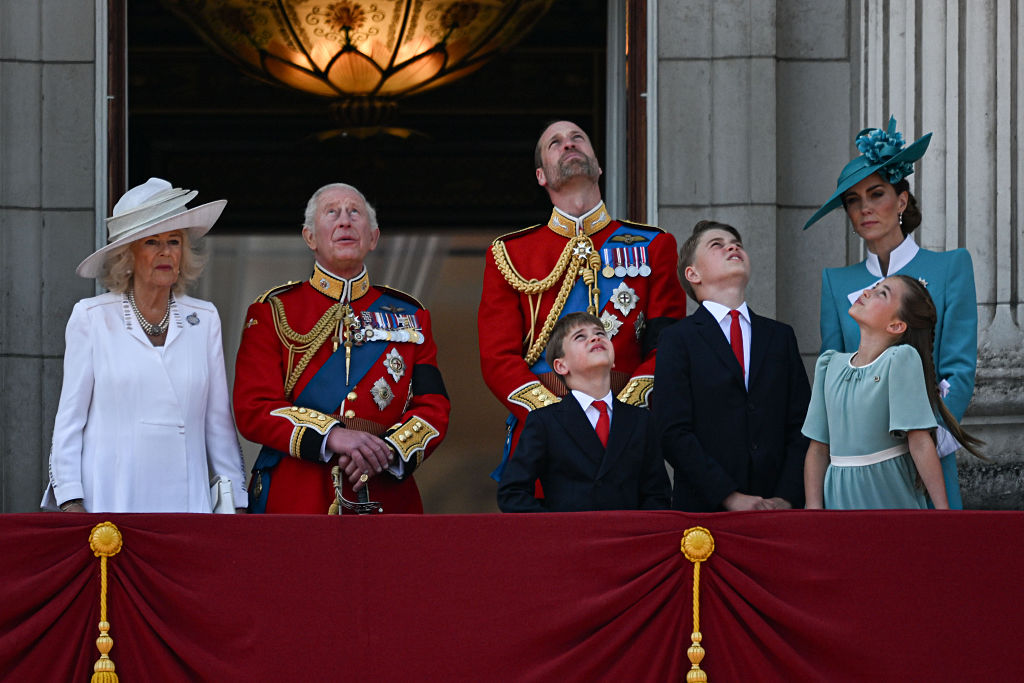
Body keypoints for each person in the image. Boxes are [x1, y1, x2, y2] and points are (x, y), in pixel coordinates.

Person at [478, 120, 686, 480]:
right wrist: (554, 417)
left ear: (598, 164)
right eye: (555, 143)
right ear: (541, 176)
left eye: (578, 138)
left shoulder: (654, 245)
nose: (569, 144)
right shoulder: (510, 254)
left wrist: (621, 411)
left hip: (625, 432)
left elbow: (666, 347)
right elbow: (498, 358)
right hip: (542, 434)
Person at [233, 183, 450, 514]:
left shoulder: (410, 315)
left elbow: (433, 406)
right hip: (296, 492)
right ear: (310, 237)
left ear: (373, 237)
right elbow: (253, 408)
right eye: (331, 212)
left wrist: (390, 451)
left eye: (355, 212)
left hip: (384, 489)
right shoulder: (273, 311)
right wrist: (331, 435)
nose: (345, 221)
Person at [42, 177, 246, 513]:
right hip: (110, 500)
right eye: (152, 242)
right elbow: (69, 421)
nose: (166, 252)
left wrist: (236, 501)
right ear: (127, 255)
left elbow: (218, 423)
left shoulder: (204, 319)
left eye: (174, 241)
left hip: (187, 505)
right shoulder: (92, 318)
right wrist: (70, 500)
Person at [804, 116, 977, 508]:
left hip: (924, 457)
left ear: (901, 200)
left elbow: (959, 368)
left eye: (876, 194)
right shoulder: (835, 282)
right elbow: (833, 379)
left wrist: (928, 440)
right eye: (853, 200)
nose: (865, 208)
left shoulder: (951, 267)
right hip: (856, 469)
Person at [650, 221, 811, 512]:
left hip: (778, 509)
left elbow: (801, 425)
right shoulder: (677, 339)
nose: (732, 246)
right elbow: (672, 431)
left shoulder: (780, 336)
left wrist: (787, 496)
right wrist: (728, 496)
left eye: (736, 242)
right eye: (717, 244)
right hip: (706, 511)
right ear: (693, 273)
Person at [802, 275, 984, 509]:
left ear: (896, 325)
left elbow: (919, 442)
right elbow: (818, 448)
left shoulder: (900, 360)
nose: (867, 292)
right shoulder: (829, 365)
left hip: (888, 495)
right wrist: (813, 511)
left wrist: (942, 514)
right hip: (838, 499)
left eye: (882, 293)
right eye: (873, 287)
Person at [497, 312, 670, 512]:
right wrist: (558, 529)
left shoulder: (641, 420)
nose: (595, 337)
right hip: (570, 540)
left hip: (628, 539)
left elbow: (657, 494)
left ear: (613, 360)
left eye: (601, 333)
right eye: (580, 336)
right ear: (561, 366)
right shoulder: (545, 421)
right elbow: (512, 493)